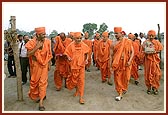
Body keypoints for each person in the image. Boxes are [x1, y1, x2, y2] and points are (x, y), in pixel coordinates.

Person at [25, 27, 52, 111]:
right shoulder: (31, 42)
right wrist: (36, 47)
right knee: (34, 82)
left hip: (44, 65)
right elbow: (28, 54)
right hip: (35, 66)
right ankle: (39, 95)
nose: (44, 36)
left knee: (43, 83)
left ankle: (41, 102)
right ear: (37, 34)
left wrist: (49, 64)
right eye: (42, 34)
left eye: (45, 34)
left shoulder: (48, 41)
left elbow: (49, 53)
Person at [64, 32, 90, 104]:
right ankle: (77, 91)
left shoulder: (84, 45)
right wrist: (69, 57)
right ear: (74, 38)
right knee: (75, 79)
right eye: (77, 38)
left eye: (80, 38)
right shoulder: (70, 45)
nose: (79, 40)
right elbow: (66, 53)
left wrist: (87, 59)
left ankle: (81, 97)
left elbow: (87, 53)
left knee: (81, 80)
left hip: (81, 65)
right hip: (73, 66)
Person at [110, 27, 134, 101]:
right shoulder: (113, 43)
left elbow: (132, 52)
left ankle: (124, 88)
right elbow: (111, 55)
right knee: (118, 78)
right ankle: (119, 93)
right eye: (115, 33)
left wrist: (130, 61)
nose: (116, 35)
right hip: (117, 64)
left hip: (126, 63)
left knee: (126, 78)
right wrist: (110, 66)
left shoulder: (127, 41)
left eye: (117, 33)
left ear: (121, 33)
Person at [141, 30, 163, 95]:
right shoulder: (145, 42)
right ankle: (149, 88)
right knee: (148, 74)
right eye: (149, 35)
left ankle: (155, 88)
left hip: (155, 61)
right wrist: (145, 52)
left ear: (154, 36)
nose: (151, 37)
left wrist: (154, 52)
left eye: (152, 36)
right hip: (147, 61)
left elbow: (159, 50)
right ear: (147, 35)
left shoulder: (157, 42)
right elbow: (142, 50)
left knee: (156, 74)